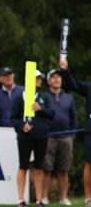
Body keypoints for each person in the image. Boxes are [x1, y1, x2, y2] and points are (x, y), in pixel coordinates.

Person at [11, 70, 55, 207]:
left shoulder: (44, 97)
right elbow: (13, 118)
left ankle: (39, 200)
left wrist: (40, 109)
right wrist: (22, 126)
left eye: (40, 78)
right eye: (36, 78)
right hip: (24, 137)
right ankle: (20, 200)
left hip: (41, 136)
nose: (39, 80)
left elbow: (52, 114)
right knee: (23, 167)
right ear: (29, 80)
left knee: (38, 168)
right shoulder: (19, 97)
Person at [41, 69, 77, 206]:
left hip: (66, 137)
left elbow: (74, 118)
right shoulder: (44, 96)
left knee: (64, 169)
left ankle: (63, 198)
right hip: (48, 136)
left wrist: (72, 135)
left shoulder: (69, 97)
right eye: (53, 77)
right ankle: (44, 197)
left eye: (58, 77)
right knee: (47, 169)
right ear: (49, 81)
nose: (56, 80)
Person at [59, 56, 91, 206]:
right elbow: (74, 85)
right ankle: (88, 198)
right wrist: (65, 70)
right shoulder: (89, 87)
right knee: (89, 163)